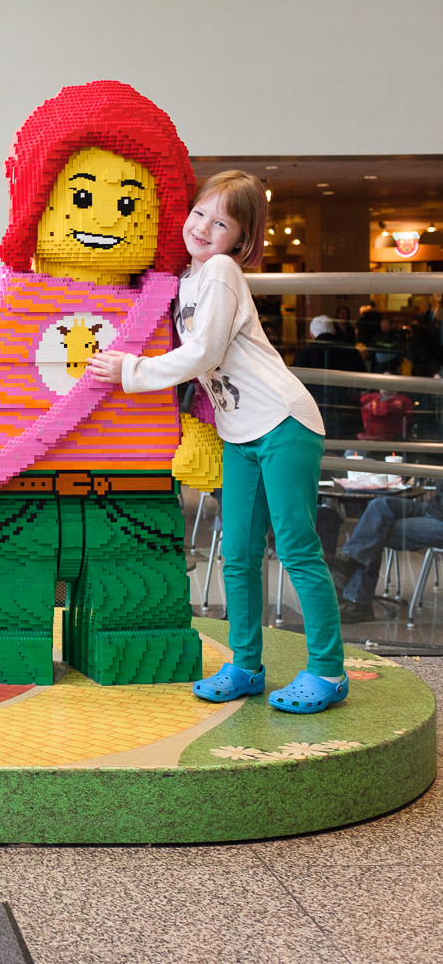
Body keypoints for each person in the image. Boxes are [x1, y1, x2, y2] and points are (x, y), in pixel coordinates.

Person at [89, 169, 349, 714]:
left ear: (242, 240)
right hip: (239, 431)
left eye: (222, 222)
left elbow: (204, 354)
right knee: (237, 553)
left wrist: (129, 370)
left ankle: (327, 671)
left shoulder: (223, 272)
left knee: (297, 551)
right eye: (199, 213)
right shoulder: (187, 279)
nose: (204, 228)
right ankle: (246, 665)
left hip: (283, 422)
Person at [329, 483, 443, 621]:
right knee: (380, 505)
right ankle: (349, 563)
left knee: (376, 528)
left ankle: (359, 601)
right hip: (433, 508)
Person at [291, 314, 366, 438]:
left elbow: (295, 385)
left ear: (312, 335)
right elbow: (361, 382)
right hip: (346, 414)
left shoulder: (304, 354)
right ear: (334, 331)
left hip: (315, 414)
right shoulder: (351, 351)